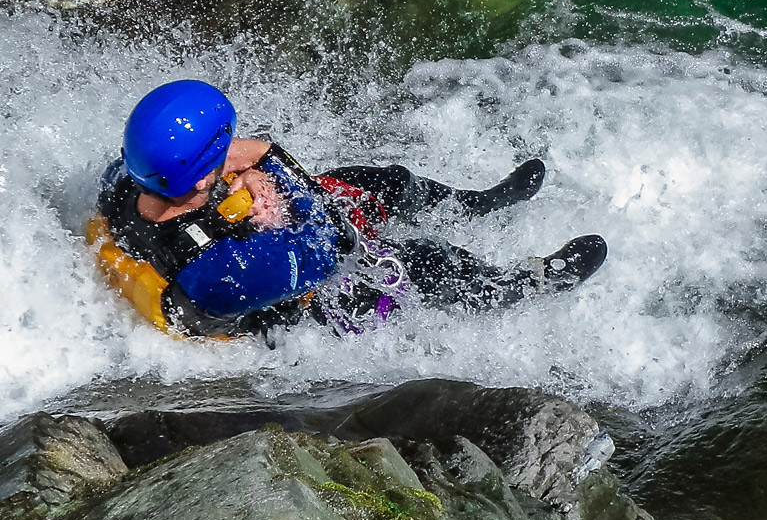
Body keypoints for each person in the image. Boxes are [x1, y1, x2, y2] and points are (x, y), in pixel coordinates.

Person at [94, 79, 607, 341]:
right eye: (226, 144)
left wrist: (237, 181)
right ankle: (528, 283)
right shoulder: (227, 273)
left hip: (241, 234)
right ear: (204, 175)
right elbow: (331, 241)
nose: (238, 142)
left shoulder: (127, 178)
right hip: (300, 303)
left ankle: (480, 203)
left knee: (383, 183)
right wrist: (264, 159)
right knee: (428, 261)